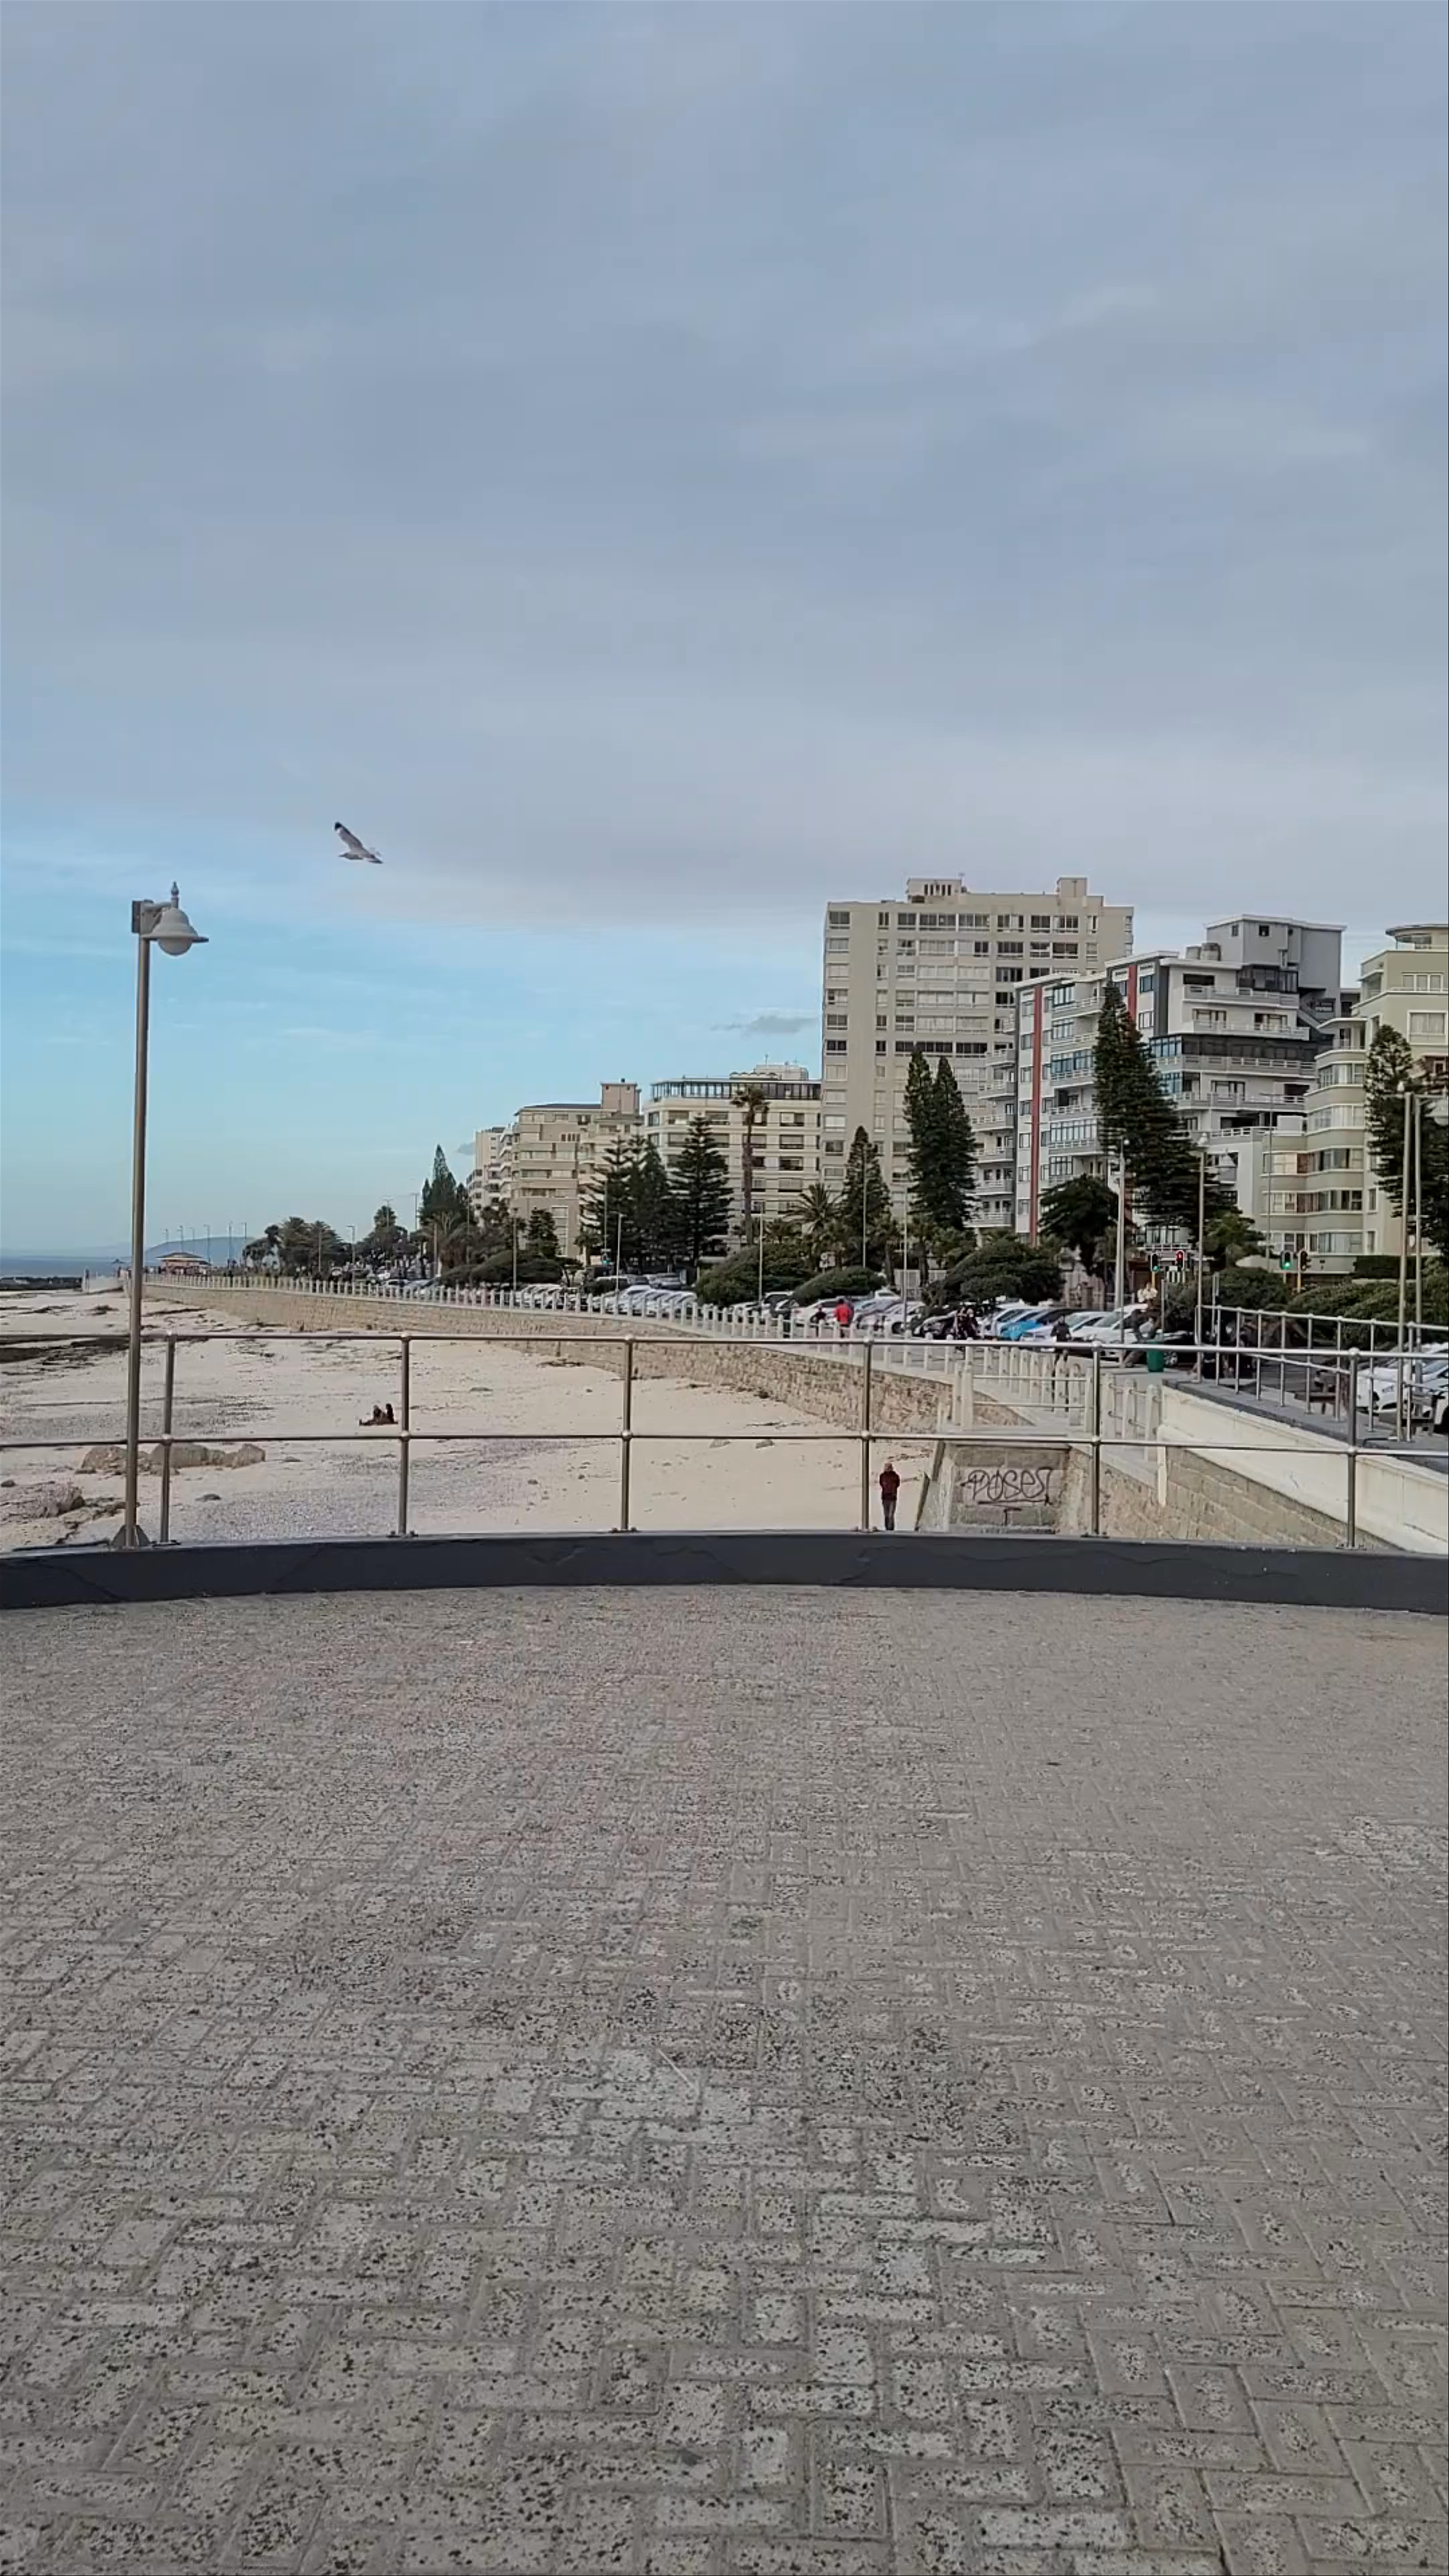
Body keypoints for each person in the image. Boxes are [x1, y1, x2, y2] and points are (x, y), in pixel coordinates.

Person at [878, 1458, 901, 1531]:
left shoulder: (895, 1476)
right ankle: (887, 1528)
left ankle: (891, 1529)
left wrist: (893, 1491)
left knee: (891, 1515)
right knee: (886, 1515)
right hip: (885, 1498)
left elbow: (898, 1484)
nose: (887, 1469)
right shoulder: (882, 1476)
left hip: (893, 1498)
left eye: (889, 1467)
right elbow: (881, 1484)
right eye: (886, 1467)